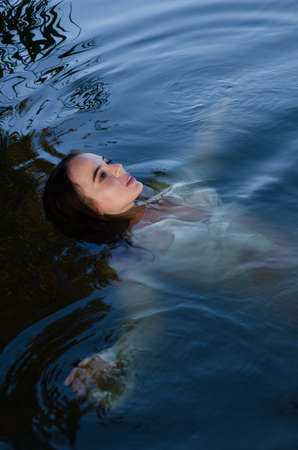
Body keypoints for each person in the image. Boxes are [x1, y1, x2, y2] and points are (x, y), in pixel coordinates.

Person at [43, 151, 290, 409]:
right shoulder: (129, 257)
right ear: (92, 212)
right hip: (276, 287)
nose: (116, 167)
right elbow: (146, 320)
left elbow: (202, 155)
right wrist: (113, 357)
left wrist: (220, 111)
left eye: (106, 161)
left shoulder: (160, 193)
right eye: (102, 175)